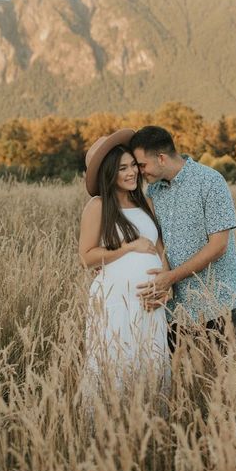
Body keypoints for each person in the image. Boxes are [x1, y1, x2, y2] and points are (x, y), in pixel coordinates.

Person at [130, 126, 236, 351]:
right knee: (180, 380)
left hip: (217, 302)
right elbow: (157, 235)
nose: (139, 172)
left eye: (142, 165)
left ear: (161, 158)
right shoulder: (153, 191)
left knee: (224, 379)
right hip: (176, 307)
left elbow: (219, 246)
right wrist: (163, 276)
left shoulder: (210, 181)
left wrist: (171, 277)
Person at [78, 129, 170, 387]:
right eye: (122, 168)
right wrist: (129, 247)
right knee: (115, 365)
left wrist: (166, 285)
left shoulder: (147, 203)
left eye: (133, 166)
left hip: (150, 302)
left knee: (150, 366)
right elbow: (86, 258)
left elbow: (161, 250)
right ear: (109, 173)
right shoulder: (98, 206)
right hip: (114, 302)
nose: (132, 173)